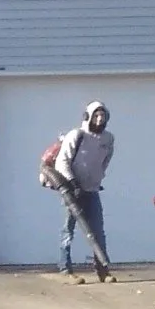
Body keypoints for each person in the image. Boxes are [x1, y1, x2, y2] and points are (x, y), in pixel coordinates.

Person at [50, 100, 116, 280]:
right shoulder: (77, 135)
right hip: (71, 191)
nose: (99, 118)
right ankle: (66, 270)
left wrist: (98, 177)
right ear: (88, 116)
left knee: (98, 231)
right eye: (96, 115)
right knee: (68, 230)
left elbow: (106, 160)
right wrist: (73, 183)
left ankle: (103, 270)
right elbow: (62, 161)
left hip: (92, 190)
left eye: (102, 115)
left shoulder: (108, 139)